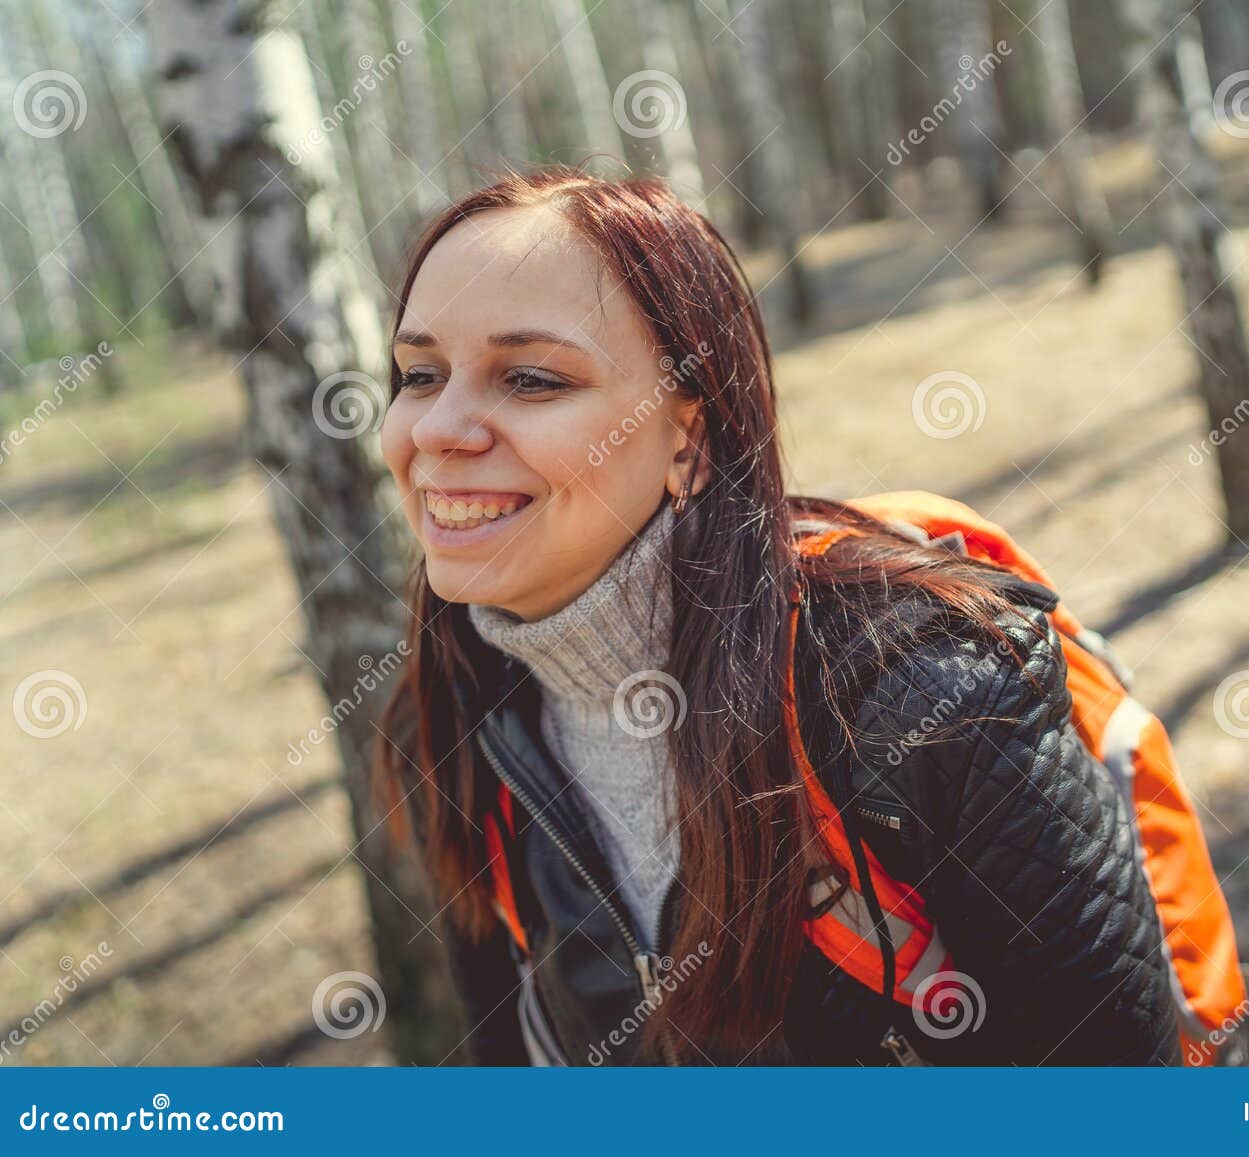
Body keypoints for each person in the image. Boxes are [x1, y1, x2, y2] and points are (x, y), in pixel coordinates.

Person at [375, 167, 1183, 1066]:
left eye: (528, 378)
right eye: (419, 373)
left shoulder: (922, 692)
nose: (439, 429)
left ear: (689, 434)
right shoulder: (452, 719)